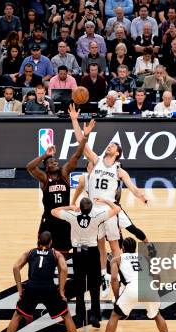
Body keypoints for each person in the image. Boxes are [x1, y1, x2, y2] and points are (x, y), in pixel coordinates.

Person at [70, 115, 149, 305]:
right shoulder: (96, 160)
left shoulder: (119, 170)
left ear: (117, 153)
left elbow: (132, 187)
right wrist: (74, 120)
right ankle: (105, 277)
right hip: (94, 212)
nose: (109, 146)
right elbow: (82, 142)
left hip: (110, 211)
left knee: (115, 247)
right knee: (99, 247)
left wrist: (142, 197)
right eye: (109, 145)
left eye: (113, 146)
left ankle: (122, 277)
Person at [0, 231, 89, 332]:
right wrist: (61, 290)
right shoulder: (56, 254)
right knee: (66, 315)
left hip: (31, 288)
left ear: (38, 241)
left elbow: (16, 267)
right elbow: (65, 269)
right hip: (48, 289)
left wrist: (20, 289)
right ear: (51, 242)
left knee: (17, 315)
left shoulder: (30, 252)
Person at [97, 237, 176, 332]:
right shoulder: (146, 258)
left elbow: (113, 279)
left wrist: (118, 297)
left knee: (115, 316)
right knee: (157, 315)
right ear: (135, 249)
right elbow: (157, 277)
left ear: (122, 248)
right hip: (148, 287)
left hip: (132, 288)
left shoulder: (116, 259)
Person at [26, 107, 92, 253]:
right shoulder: (44, 178)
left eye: (55, 161)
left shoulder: (64, 173)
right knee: (44, 249)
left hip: (64, 216)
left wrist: (85, 137)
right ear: (46, 167)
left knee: (64, 250)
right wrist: (45, 155)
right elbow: (29, 167)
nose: (54, 163)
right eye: (51, 162)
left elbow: (77, 155)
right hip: (48, 218)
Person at [52, 197, 121, 327]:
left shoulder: (72, 216)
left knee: (79, 285)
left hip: (79, 254)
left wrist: (71, 207)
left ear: (81, 207)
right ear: (90, 209)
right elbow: (117, 209)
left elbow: (53, 211)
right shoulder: (97, 216)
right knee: (94, 285)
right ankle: (95, 317)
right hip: (93, 253)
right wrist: (105, 200)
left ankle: (79, 318)